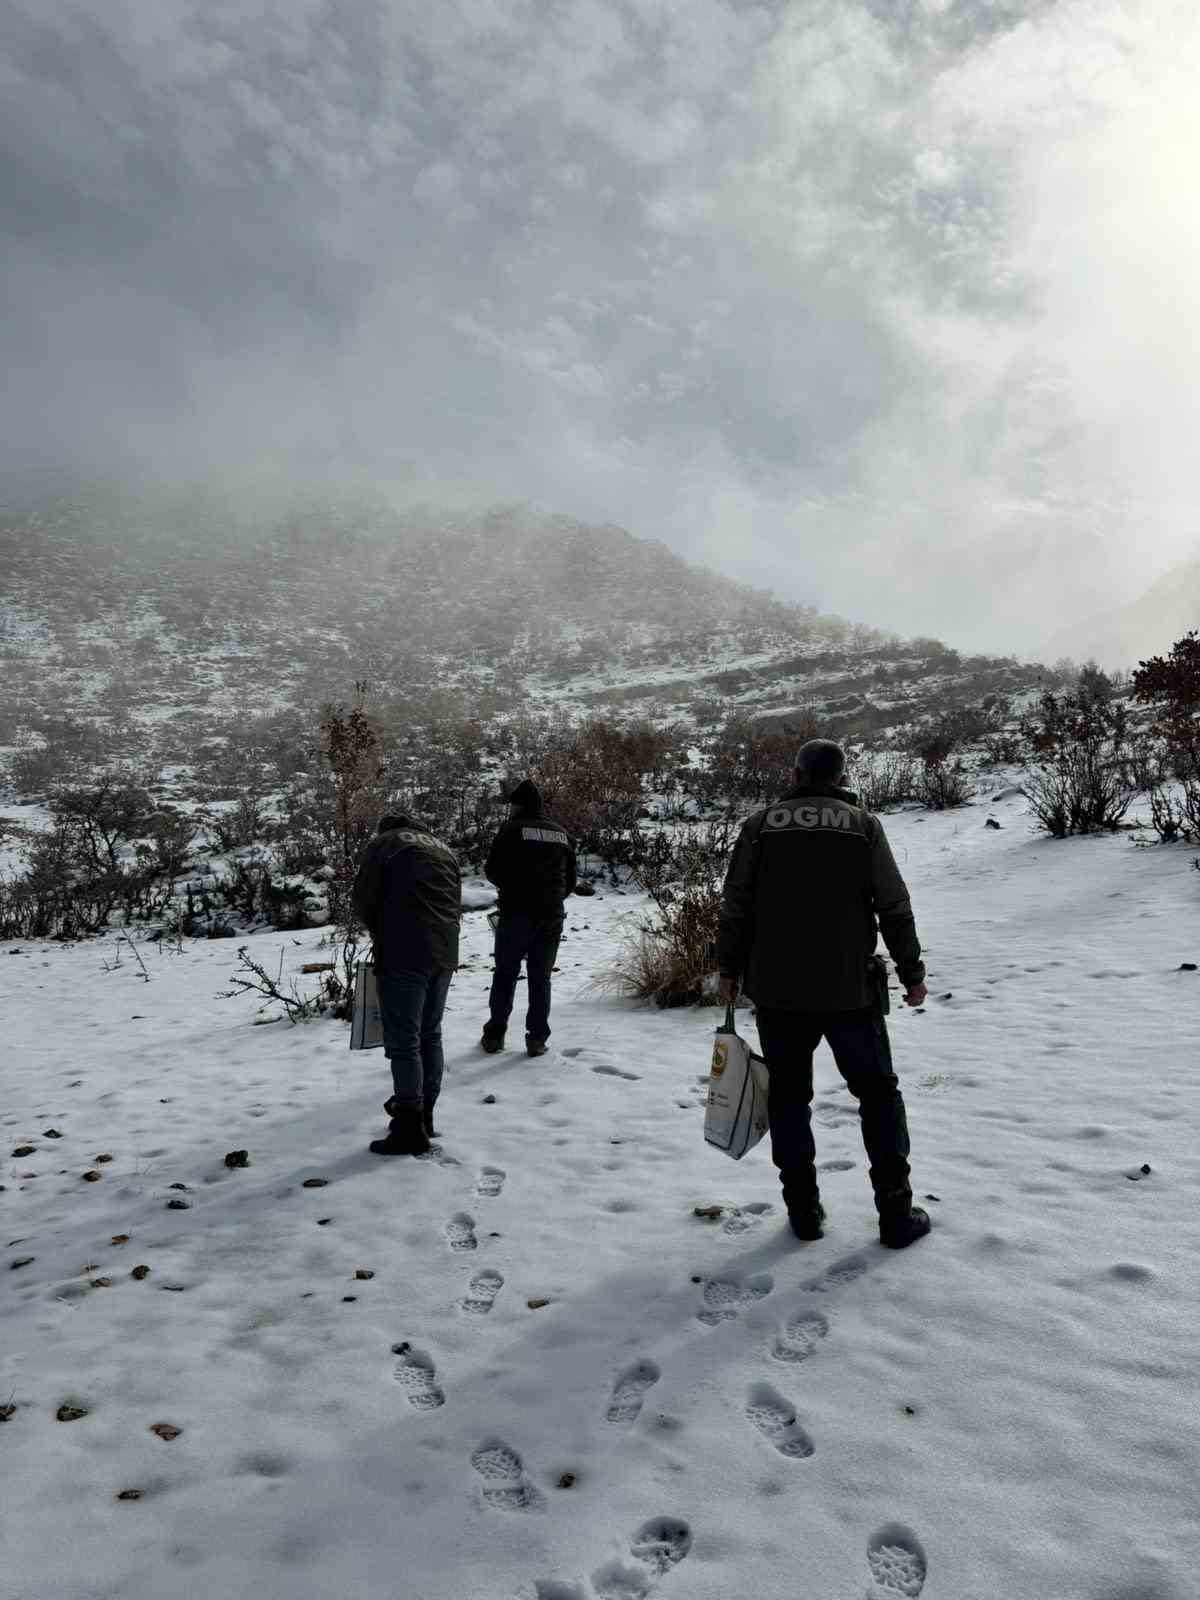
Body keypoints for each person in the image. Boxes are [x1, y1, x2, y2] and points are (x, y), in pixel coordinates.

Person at [716, 739, 932, 1249]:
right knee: (878, 1096)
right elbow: (893, 904)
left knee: (789, 1100)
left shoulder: (760, 826)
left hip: (778, 991)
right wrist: (911, 970)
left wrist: (727, 967)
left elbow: (736, 905)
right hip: (851, 992)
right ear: (840, 776)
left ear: (796, 774)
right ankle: (896, 1214)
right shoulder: (863, 826)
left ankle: (804, 1212)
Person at [352, 812, 461, 1155]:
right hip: (445, 950)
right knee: (431, 1033)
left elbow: (363, 898)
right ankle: (425, 1114)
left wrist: (382, 931)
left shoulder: (383, 844)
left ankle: (408, 1127)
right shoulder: (444, 849)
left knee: (403, 1041)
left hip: (403, 950)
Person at [481, 779, 577, 1057]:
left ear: (518, 805)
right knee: (541, 978)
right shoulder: (562, 834)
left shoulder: (512, 830)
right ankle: (537, 1039)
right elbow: (570, 881)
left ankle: (495, 1035)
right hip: (551, 915)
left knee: (505, 975)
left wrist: (512, 889)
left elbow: (493, 870)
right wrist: (551, 897)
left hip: (517, 914)